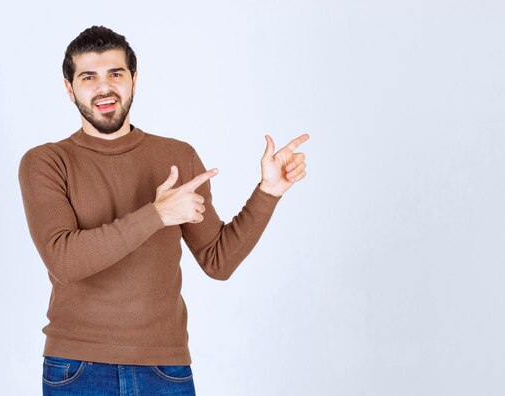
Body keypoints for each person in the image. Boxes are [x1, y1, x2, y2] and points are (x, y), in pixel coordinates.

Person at [18, 25, 309, 396]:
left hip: (164, 368)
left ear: (134, 80)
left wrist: (269, 191)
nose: (104, 87)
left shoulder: (176, 156)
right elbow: (64, 261)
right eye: (88, 77)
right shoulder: (47, 161)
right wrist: (156, 214)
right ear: (69, 88)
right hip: (76, 367)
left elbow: (218, 261)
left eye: (115, 74)